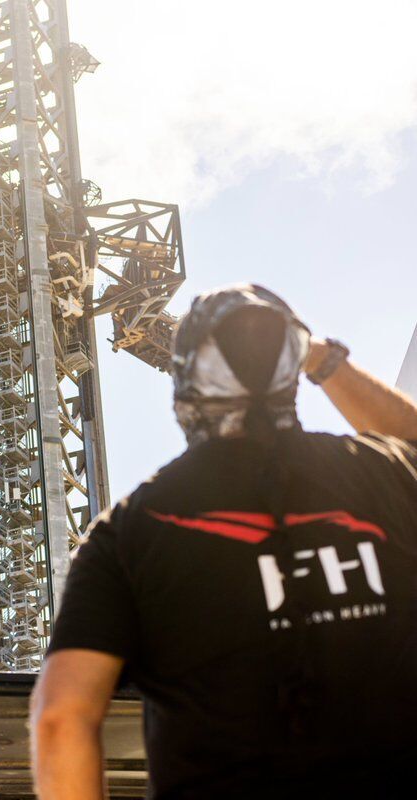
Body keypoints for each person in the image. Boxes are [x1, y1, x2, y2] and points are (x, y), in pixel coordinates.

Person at [31, 285, 417, 800]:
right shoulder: (385, 475)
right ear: (292, 366)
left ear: (187, 384)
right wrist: (324, 359)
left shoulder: (130, 530)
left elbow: (62, 719)